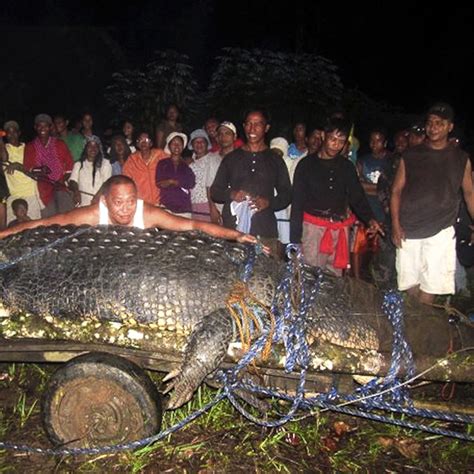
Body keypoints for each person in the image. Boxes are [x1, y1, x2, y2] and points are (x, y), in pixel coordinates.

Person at [0, 176, 263, 254]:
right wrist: (4, 233)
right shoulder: (94, 212)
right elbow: (46, 222)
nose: (125, 209)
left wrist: (237, 235)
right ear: (105, 201)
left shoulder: (146, 213)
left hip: (142, 257)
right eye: (118, 203)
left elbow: (193, 224)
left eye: (130, 202)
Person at [391, 102, 474, 304]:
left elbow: (470, 192)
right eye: (430, 123)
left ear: (449, 127)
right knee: (410, 282)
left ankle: (420, 324)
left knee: (433, 282)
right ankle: (417, 319)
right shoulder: (412, 155)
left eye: (440, 123)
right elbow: (396, 190)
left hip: (441, 229)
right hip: (409, 228)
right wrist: (395, 224)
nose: (433, 127)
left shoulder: (460, 158)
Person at [291, 119, 383, 276]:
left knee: (334, 279)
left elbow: (357, 197)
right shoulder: (306, 165)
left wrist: (370, 219)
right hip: (313, 230)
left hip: (339, 230)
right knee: (309, 277)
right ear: (322, 135)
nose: (336, 145)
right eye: (333, 139)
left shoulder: (346, 167)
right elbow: (297, 203)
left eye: (341, 141)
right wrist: (295, 239)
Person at [211, 109, 291, 255]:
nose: (252, 129)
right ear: (244, 126)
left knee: (264, 276)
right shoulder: (232, 158)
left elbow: (287, 194)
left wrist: (269, 202)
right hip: (233, 232)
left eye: (258, 124)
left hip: (264, 230)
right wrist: (232, 194)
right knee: (231, 275)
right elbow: (215, 191)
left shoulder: (275, 160)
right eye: (248, 124)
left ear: (266, 128)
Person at [24, 114, 74, 217]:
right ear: (35, 127)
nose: (43, 129)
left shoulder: (59, 144)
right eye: (40, 126)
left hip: (61, 186)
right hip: (43, 189)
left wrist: (61, 180)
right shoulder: (30, 147)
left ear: (50, 127)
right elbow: (28, 168)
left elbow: (70, 166)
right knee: (49, 221)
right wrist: (40, 170)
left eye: (46, 126)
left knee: (67, 218)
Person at [0, 120, 43, 223]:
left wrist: (19, 166)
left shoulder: (28, 148)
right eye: (8, 132)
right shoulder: (4, 149)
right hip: (14, 195)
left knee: (34, 227)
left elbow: (35, 173)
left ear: (19, 133)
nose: (11, 135)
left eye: (14, 132)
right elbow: (4, 159)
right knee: (12, 229)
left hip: (30, 194)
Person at [122, 131, 168, 206]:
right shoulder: (132, 160)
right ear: (137, 144)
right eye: (140, 140)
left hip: (161, 202)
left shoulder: (160, 155)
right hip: (142, 203)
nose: (143, 143)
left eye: (146, 140)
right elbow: (126, 180)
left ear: (151, 143)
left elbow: (174, 162)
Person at [156, 132, 195, 217]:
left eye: (179, 143)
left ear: (183, 146)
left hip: (184, 208)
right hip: (166, 207)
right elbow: (159, 183)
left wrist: (172, 182)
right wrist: (175, 182)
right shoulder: (162, 163)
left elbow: (191, 183)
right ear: (169, 146)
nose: (177, 146)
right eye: (174, 143)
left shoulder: (187, 164)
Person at [69, 136, 112, 207]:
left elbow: (107, 183)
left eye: (96, 146)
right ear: (85, 148)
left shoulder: (106, 163)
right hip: (83, 205)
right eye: (90, 146)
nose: (93, 149)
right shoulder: (79, 164)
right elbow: (72, 181)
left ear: (99, 148)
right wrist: (76, 191)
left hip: (100, 203)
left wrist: (97, 196)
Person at [188, 129, 213, 221]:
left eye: (202, 141)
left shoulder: (214, 159)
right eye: (196, 142)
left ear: (207, 144)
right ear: (192, 145)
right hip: (193, 206)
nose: (199, 144)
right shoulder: (190, 165)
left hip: (210, 205)